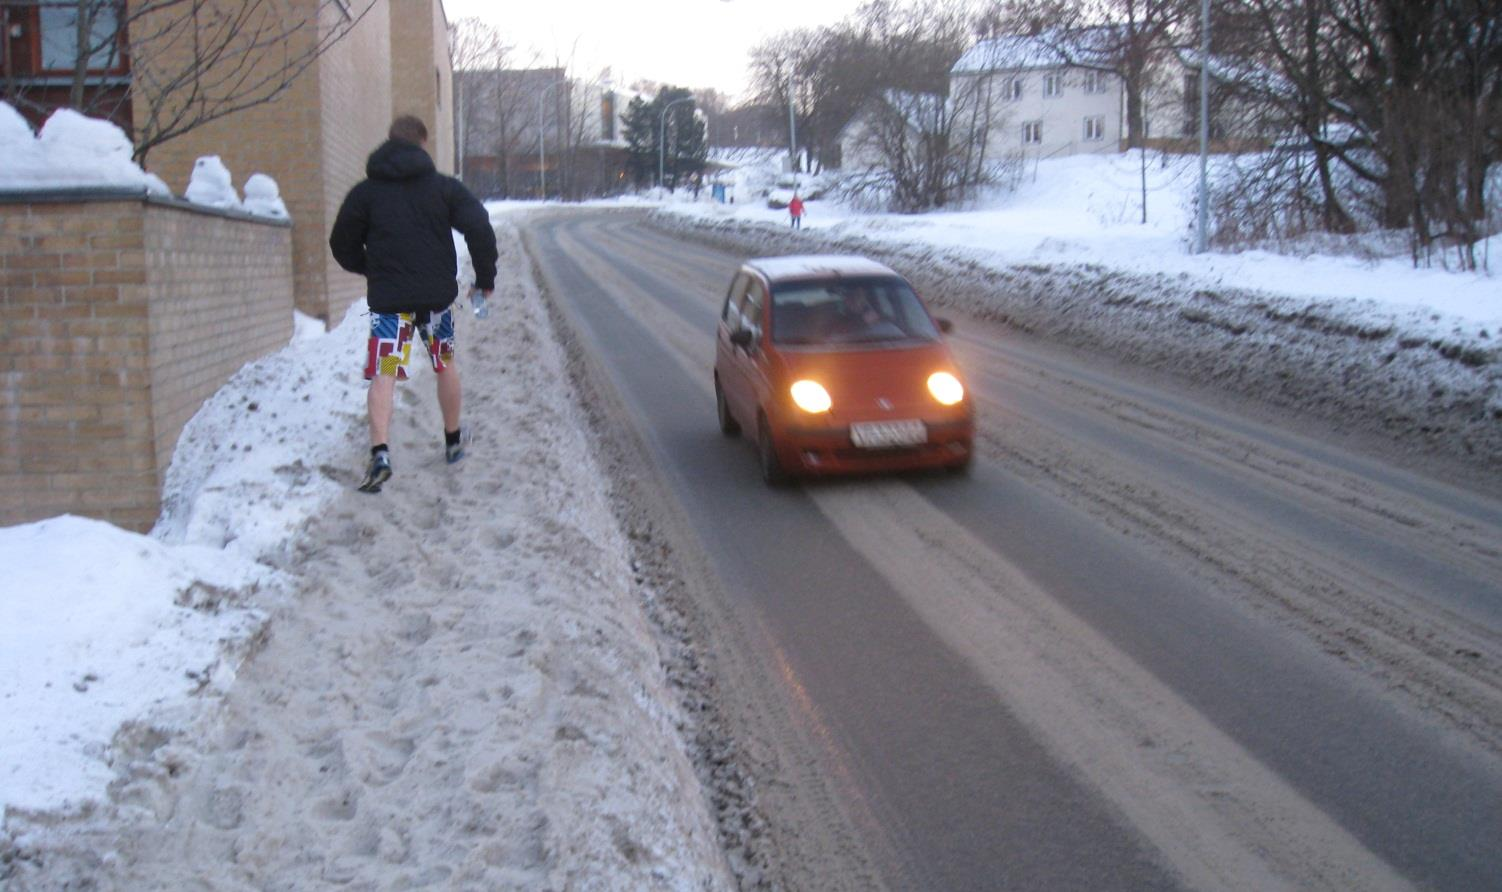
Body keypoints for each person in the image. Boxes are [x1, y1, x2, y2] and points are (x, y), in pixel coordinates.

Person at [329, 114, 498, 494]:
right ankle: (453, 442)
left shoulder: (365, 193)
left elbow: (341, 244)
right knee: (444, 363)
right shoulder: (442, 189)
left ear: (389, 143)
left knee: (384, 371)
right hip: (434, 301)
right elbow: (479, 227)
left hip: (391, 304)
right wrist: (485, 279)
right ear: (422, 144)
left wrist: (372, 268)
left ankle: (381, 453)